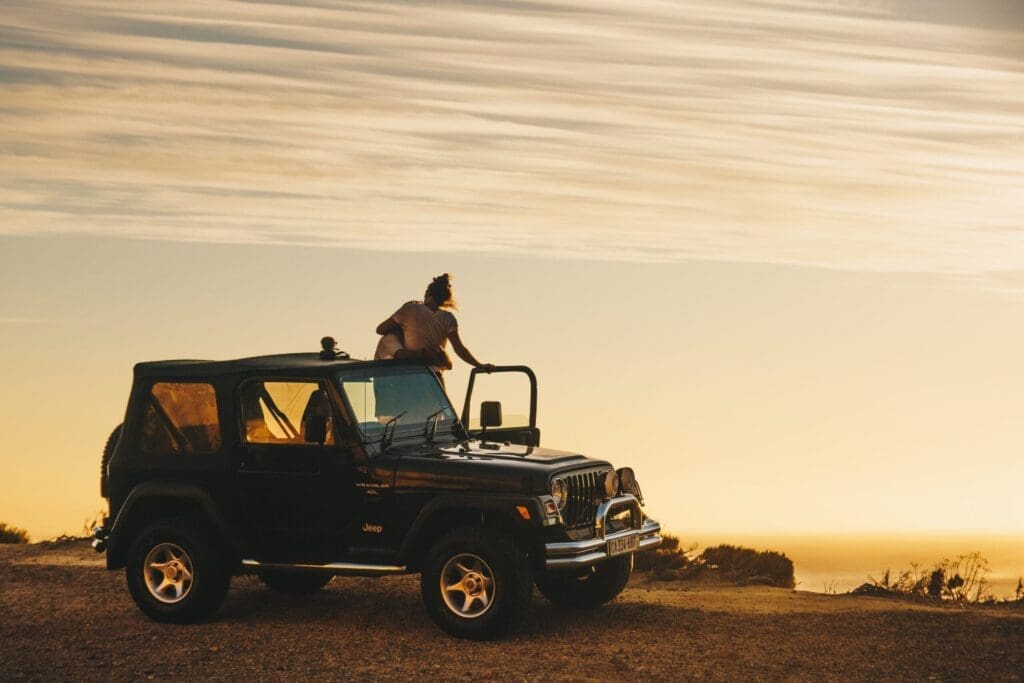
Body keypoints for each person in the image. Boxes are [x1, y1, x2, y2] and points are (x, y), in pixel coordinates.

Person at [375, 273, 493, 385]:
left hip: (414, 373)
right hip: (435, 377)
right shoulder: (448, 318)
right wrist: (478, 364)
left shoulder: (411, 309)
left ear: (428, 294)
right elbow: (459, 349)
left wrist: (403, 316)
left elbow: (380, 329)